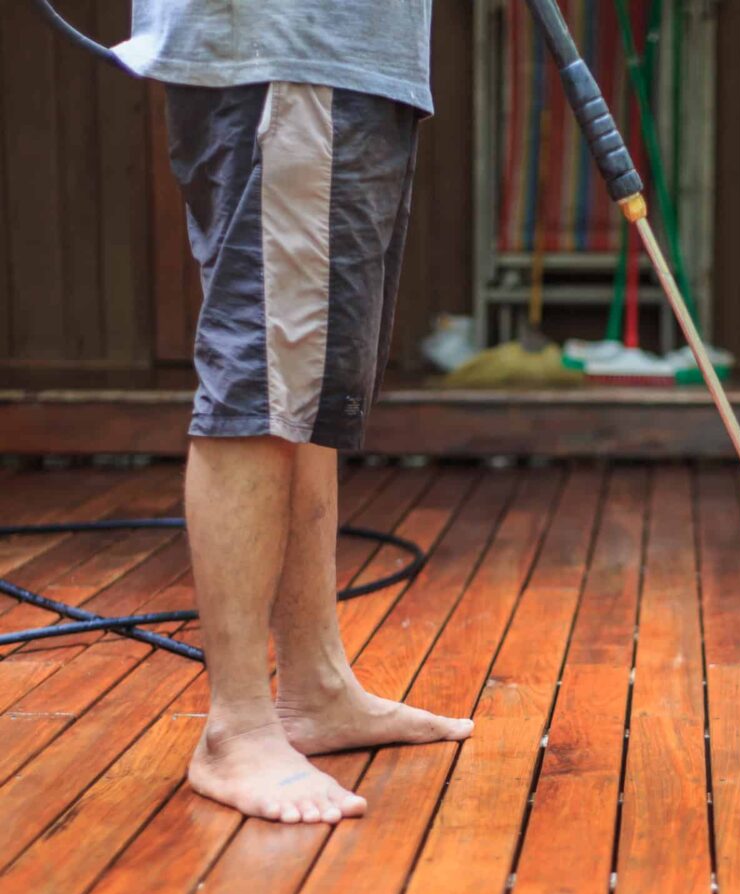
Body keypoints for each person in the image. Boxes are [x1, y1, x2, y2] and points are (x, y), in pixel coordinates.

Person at [113, 3, 473, 825]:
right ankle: (237, 729)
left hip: (342, 55)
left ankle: (315, 688)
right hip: (292, 45)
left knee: (308, 378)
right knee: (271, 373)